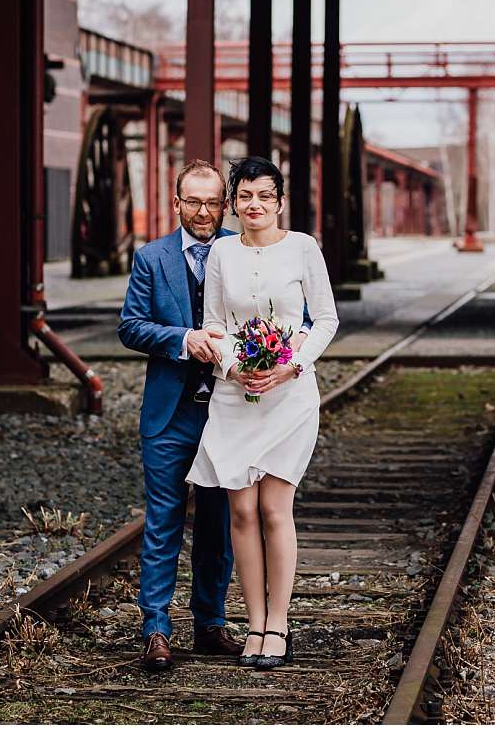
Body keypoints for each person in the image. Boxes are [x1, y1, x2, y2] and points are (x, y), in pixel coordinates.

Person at [118, 159, 311, 671]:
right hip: (172, 412)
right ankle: (156, 629)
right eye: (192, 201)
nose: (203, 211)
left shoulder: (241, 249)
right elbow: (131, 326)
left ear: (222, 204)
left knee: (223, 523)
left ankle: (210, 624)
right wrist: (182, 339)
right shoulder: (151, 258)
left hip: (232, 410)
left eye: (211, 202)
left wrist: (281, 366)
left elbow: (304, 318)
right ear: (176, 202)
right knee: (162, 521)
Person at [185, 156, 339, 670]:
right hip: (235, 394)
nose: (254, 205)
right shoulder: (222, 253)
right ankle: (252, 623)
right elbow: (212, 323)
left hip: (289, 396)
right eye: (245, 196)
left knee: (275, 509)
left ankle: (279, 625)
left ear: (279, 201)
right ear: (235, 202)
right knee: (242, 511)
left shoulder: (303, 249)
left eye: (264, 197)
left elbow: (325, 320)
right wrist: (233, 368)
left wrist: (290, 364)